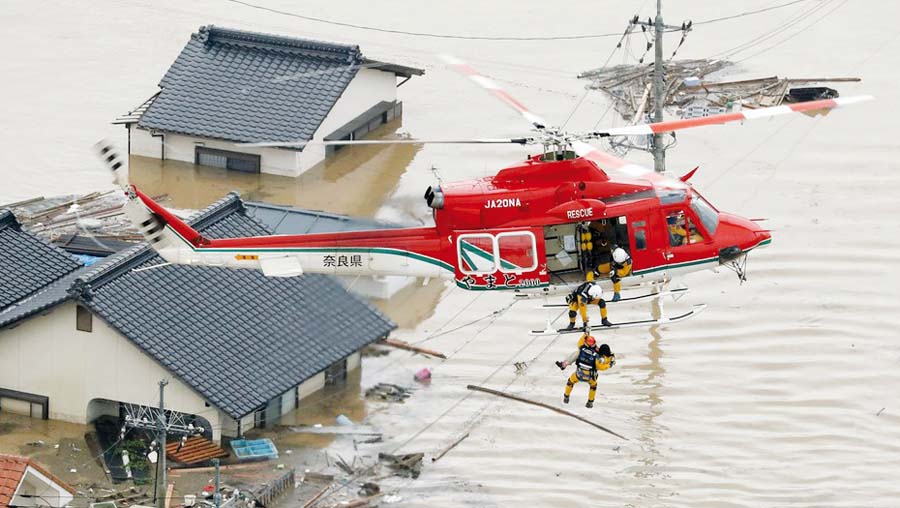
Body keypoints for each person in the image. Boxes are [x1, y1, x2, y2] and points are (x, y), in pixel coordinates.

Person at [554, 334, 616, 408]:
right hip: (590, 377)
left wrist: (585, 334)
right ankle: (590, 402)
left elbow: (580, 342)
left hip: (578, 374)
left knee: (570, 382)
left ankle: (566, 396)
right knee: (593, 386)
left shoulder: (581, 349)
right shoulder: (597, 357)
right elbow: (601, 367)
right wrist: (610, 364)